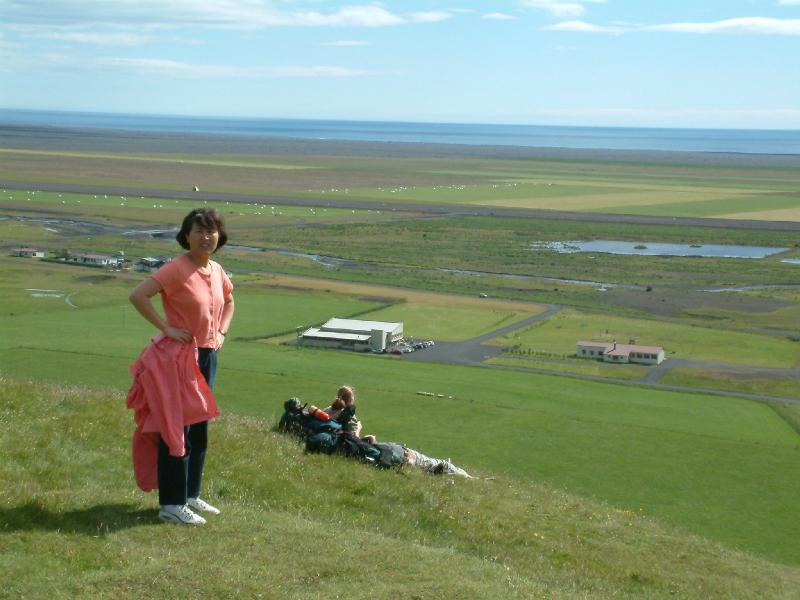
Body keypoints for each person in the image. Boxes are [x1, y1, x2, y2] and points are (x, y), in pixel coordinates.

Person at [129, 207, 234, 525]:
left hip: (206, 356)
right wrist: (166, 328)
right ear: (186, 236)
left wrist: (221, 332)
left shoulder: (216, 270)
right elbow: (139, 295)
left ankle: (190, 495)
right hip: (178, 359)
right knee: (177, 429)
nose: (206, 236)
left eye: (212, 230)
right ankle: (171, 504)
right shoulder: (176, 268)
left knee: (199, 428)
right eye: (199, 230)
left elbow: (229, 301)